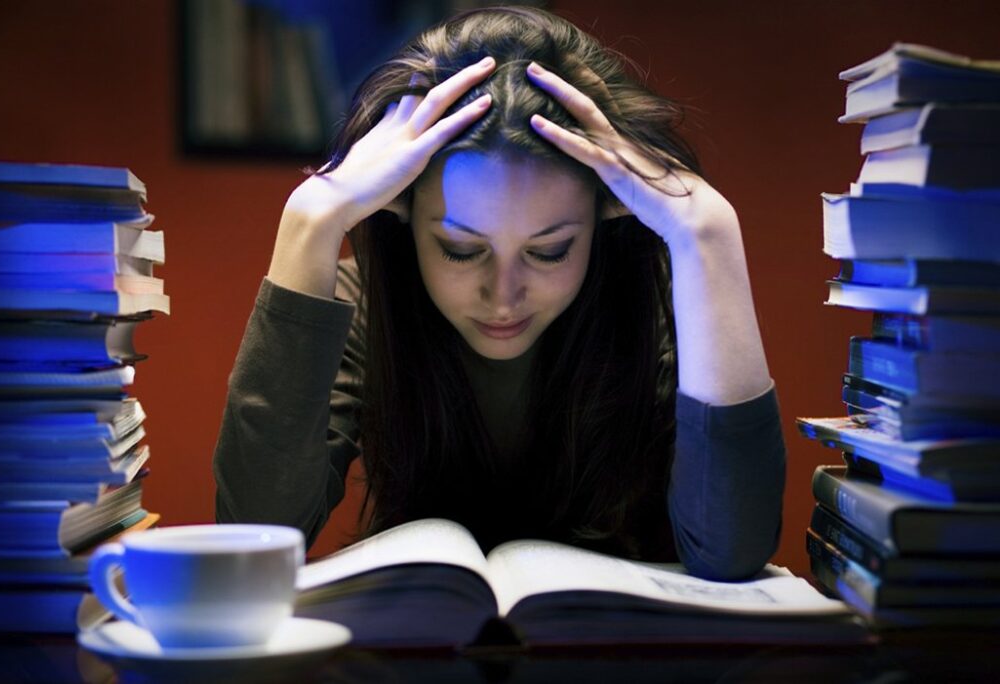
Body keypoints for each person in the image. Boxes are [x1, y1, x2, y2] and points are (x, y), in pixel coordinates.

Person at [214, 5, 785, 580]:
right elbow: (254, 535)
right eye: (461, 251)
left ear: (607, 213)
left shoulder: (662, 306)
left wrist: (710, 232)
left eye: (550, 251)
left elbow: (732, 549)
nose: (504, 296)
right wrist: (309, 218)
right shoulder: (364, 307)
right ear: (403, 214)